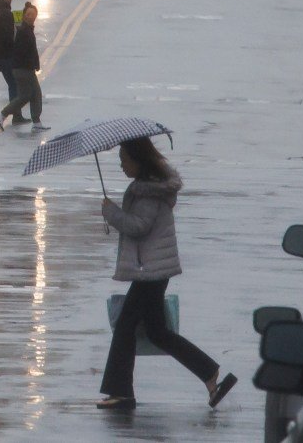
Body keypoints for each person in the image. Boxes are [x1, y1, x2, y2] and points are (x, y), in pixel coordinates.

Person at [96, 137, 236, 411]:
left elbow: (139, 226)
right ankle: (209, 374)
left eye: (125, 160)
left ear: (139, 160)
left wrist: (111, 213)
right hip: (153, 268)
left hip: (152, 270)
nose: (122, 166)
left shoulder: (148, 191)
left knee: (125, 327)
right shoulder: (149, 187)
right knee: (157, 332)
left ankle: (121, 393)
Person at [0, 2, 49, 131]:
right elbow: (24, 52)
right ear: (24, 16)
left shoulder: (27, 29)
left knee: (35, 94)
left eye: (34, 15)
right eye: (29, 14)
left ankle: (37, 123)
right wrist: (32, 64)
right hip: (23, 69)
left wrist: (35, 64)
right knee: (25, 96)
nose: (31, 17)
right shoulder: (24, 31)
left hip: (26, 68)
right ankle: (2, 114)